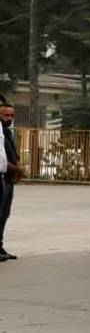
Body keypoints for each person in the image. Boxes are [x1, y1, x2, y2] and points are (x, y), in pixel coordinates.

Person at [0, 97, 14, 261]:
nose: (9, 118)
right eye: (6, 115)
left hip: (9, 180)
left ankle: (0, 246)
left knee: (4, 214)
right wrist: (16, 169)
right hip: (3, 177)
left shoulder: (7, 133)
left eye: (11, 115)